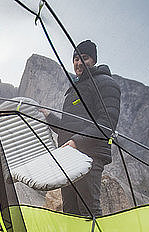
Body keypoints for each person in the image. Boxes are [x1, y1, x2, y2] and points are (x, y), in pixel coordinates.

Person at [45, 39, 121, 216]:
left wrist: (76, 142)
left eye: (84, 58)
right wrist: (48, 116)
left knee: (88, 209)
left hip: (89, 155)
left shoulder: (105, 83)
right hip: (69, 156)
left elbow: (106, 124)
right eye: (75, 59)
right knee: (70, 209)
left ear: (93, 60)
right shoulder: (75, 89)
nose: (78, 63)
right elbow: (68, 127)